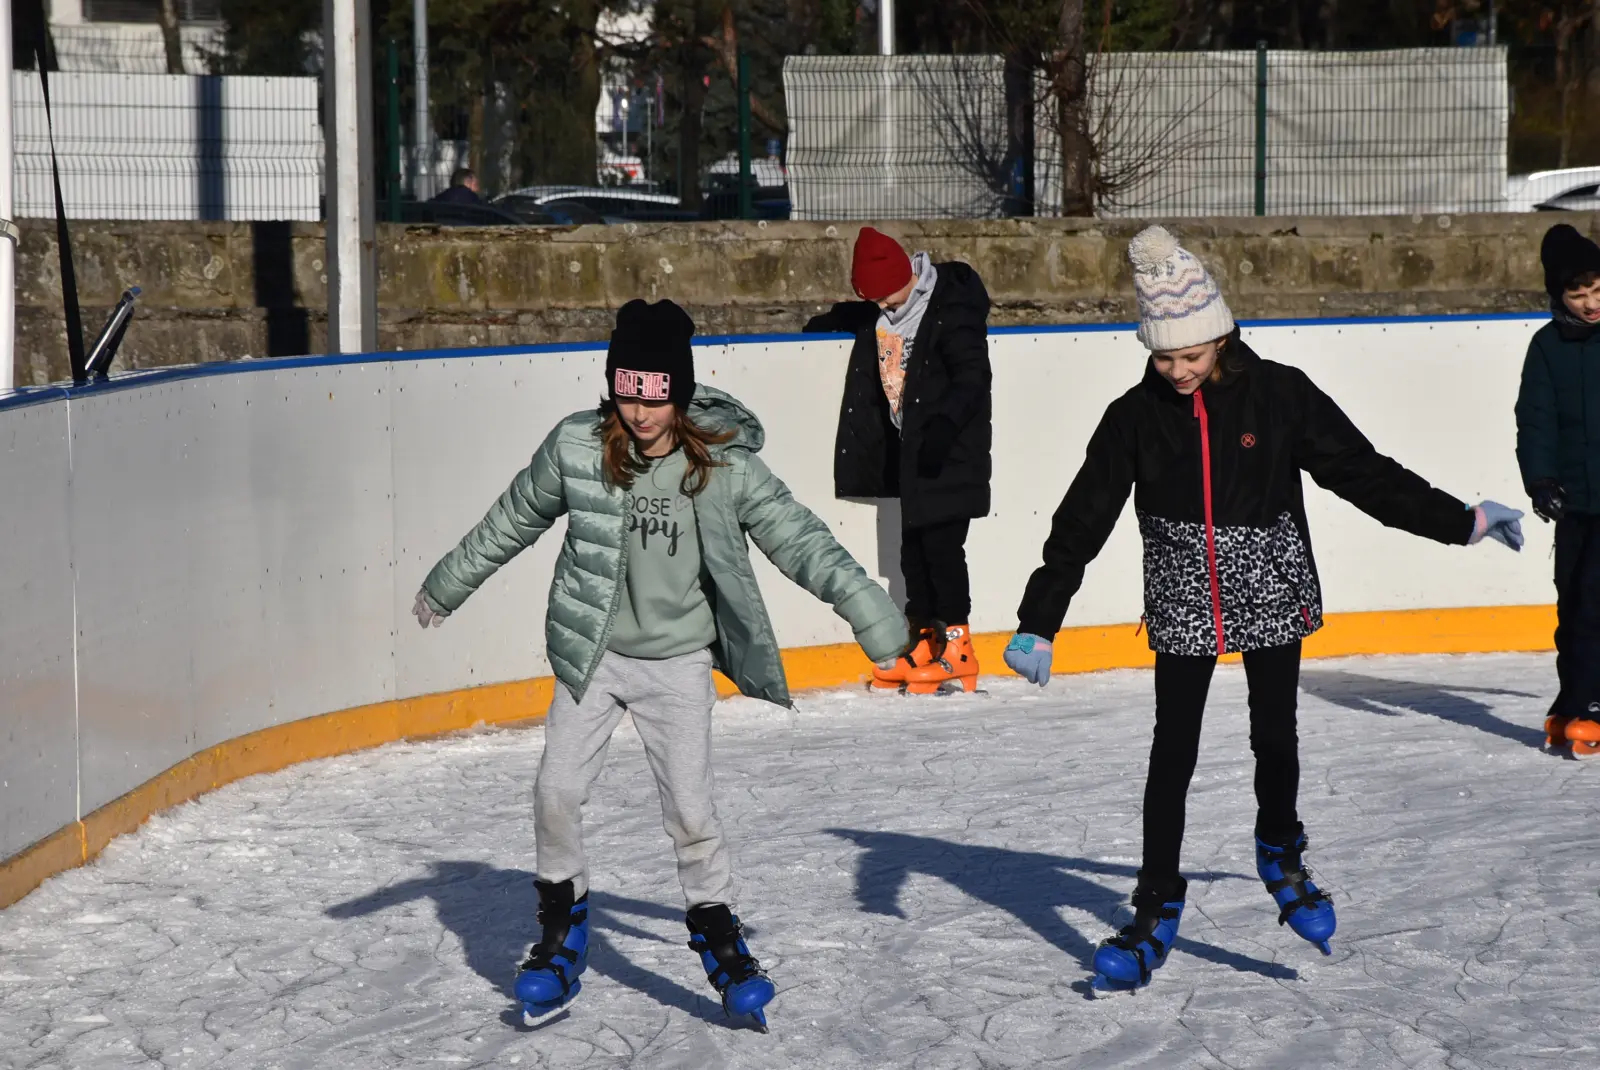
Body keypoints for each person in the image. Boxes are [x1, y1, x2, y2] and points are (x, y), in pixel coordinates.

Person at [1004, 225, 1524, 989]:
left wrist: (1460, 521)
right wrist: (1039, 619)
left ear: (1220, 336)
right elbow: (1082, 516)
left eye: (1190, 354)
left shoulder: (1281, 395)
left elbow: (1362, 473)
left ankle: (1280, 848)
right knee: (1170, 755)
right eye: (1162, 356)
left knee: (1274, 735)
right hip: (1184, 595)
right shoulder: (1133, 416)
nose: (1177, 370)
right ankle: (1155, 906)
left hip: (1271, 583)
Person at [413, 299, 908, 1028]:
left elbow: (800, 540)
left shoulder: (724, 465)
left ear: (679, 390)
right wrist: (447, 583)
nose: (641, 413)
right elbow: (513, 517)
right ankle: (559, 935)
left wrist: (868, 610)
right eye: (628, 392)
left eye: (655, 395)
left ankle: (720, 941)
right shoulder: (577, 447)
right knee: (554, 792)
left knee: (691, 813)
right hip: (595, 657)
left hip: (676, 666)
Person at [805, 226, 993, 695]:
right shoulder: (885, 314)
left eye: (889, 298)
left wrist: (945, 426)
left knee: (944, 553)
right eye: (877, 302)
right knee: (914, 553)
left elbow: (973, 375)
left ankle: (959, 648)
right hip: (912, 454)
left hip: (950, 453)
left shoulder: (950, 310)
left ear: (907, 275)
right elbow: (864, 316)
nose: (885, 308)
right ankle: (927, 642)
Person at [1516, 223, 1600, 759]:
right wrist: (1541, 480)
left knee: (1595, 600)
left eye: (1598, 291)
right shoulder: (1547, 346)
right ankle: (1572, 700)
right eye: (1578, 295)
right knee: (1572, 603)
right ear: (1559, 296)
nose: (1591, 304)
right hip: (1574, 501)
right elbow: (1536, 419)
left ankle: (1592, 704)